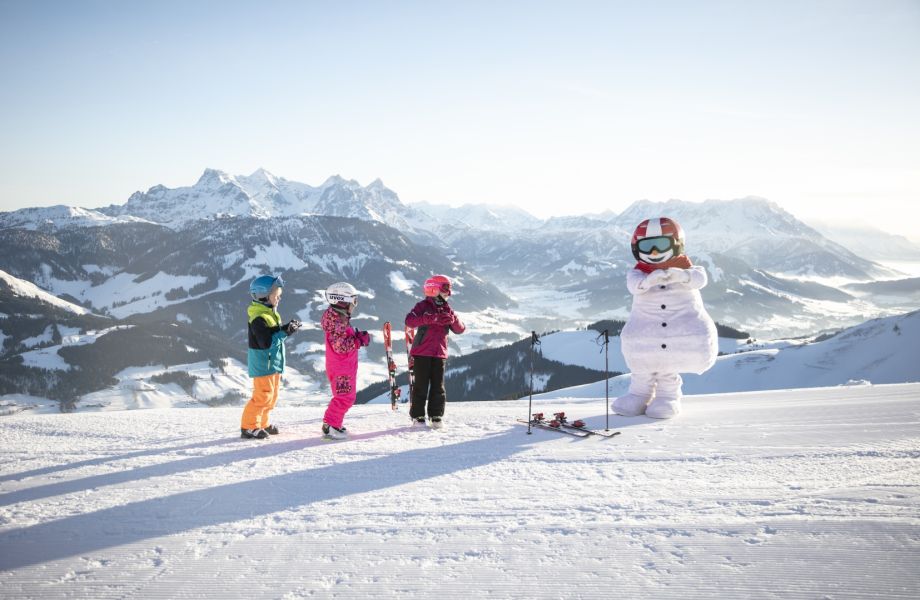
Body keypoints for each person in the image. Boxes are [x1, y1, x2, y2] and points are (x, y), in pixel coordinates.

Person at [614, 217, 718, 419]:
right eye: (648, 246)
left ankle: (667, 398)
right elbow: (634, 285)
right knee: (643, 364)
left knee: (667, 366)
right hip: (646, 333)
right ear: (637, 248)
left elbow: (700, 279)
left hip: (674, 333)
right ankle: (638, 395)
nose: (654, 252)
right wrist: (649, 280)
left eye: (661, 245)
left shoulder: (686, 267)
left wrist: (682, 276)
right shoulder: (638, 272)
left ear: (676, 243)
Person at [241, 275, 301, 439]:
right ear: (264, 296)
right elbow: (266, 343)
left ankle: (262, 423)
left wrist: (286, 328)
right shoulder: (258, 319)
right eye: (276, 295)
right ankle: (248, 426)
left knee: (272, 397)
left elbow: (273, 334)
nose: (279, 298)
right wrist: (285, 332)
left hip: (273, 364)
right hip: (263, 365)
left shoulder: (270, 314)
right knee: (262, 396)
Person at [404, 274, 466, 429]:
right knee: (421, 386)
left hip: (439, 354)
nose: (448, 293)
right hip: (422, 353)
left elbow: (460, 329)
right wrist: (428, 319)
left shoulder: (447, 308)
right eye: (445, 289)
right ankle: (418, 416)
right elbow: (409, 321)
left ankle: (436, 415)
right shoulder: (422, 306)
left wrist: (453, 320)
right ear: (433, 289)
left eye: (449, 289)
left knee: (438, 386)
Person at [321, 282, 370, 440]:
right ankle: (330, 426)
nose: (354, 306)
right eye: (353, 302)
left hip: (343, 366)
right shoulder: (337, 323)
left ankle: (333, 423)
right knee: (344, 397)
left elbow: (341, 340)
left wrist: (356, 336)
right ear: (342, 302)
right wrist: (358, 342)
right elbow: (340, 346)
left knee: (345, 396)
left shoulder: (338, 320)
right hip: (341, 367)